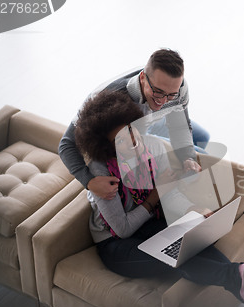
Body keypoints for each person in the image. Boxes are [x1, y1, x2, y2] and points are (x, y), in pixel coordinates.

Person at [74, 89, 244, 307]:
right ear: (109, 148)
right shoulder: (101, 171)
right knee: (176, 254)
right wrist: (156, 194)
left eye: (131, 129)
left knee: (194, 239)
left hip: (151, 223)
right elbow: (123, 228)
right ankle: (242, 275)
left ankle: (242, 284)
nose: (133, 141)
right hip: (115, 244)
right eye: (120, 140)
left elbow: (170, 192)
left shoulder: (154, 147)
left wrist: (192, 208)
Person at [59, 48, 209, 201]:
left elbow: (179, 127)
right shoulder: (109, 99)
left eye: (171, 95)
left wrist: (188, 158)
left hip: (151, 120)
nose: (163, 101)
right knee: (204, 155)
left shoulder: (178, 88)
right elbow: (66, 144)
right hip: (134, 130)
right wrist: (89, 181)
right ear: (142, 77)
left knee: (203, 137)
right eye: (158, 91)